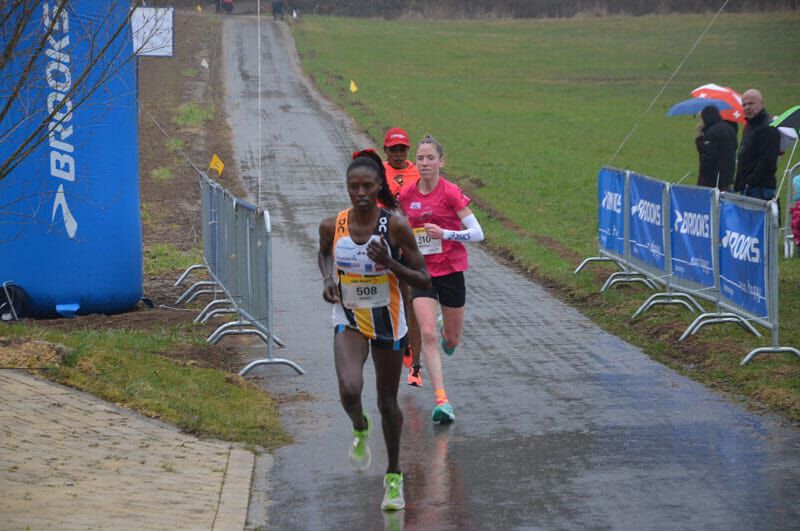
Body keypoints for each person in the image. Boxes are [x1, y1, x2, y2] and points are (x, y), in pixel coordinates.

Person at [318, 150, 430, 511]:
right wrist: (327, 279)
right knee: (350, 390)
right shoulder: (333, 225)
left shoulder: (395, 226)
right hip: (349, 316)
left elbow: (423, 278)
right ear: (347, 188)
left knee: (387, 401)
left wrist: (390, 263)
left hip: (388, 321)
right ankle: (359, 426)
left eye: (367, 186)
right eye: (354, 187)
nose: (361, 193)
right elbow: (324, 253)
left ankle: (393, 475)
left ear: (379, 186)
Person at [397, 134, 485, 424]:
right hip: (422, 273)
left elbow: (478, 234)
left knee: (451, 338)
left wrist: (445, 233)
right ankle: (441, 400)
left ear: (441, 162)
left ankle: (449, 335)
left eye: (430, 158)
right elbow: (400, 229)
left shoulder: (450, 193)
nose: (424, 163)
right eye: (420, 158)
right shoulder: (406, 195)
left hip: (450, 270)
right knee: (428, 335)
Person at [382, 127, 424, 387]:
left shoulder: (416, 173)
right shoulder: (379, 172)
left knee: (412, 298)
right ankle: (402, 338)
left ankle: (416, 365)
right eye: (393, 149)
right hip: (387, 240)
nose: (398, 154)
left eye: (402, 149)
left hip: (414, 241)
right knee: (394, 295)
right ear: (385, 150)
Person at [733, 89, 781, 199]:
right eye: (744, 105)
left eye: (751, 103)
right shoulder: (749, 126)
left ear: (761, 104)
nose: (747, 107)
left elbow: (767, 160)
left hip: (759, 189)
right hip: (748, 187)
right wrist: (739, 182)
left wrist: (750, 181)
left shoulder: (769, 127)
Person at [695, 105, 737, 190]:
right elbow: (735, 146)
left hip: (713, 180)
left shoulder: (711, 133)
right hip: (727, 178)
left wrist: (699, 136)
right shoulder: (729, 128)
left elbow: (707, 156)